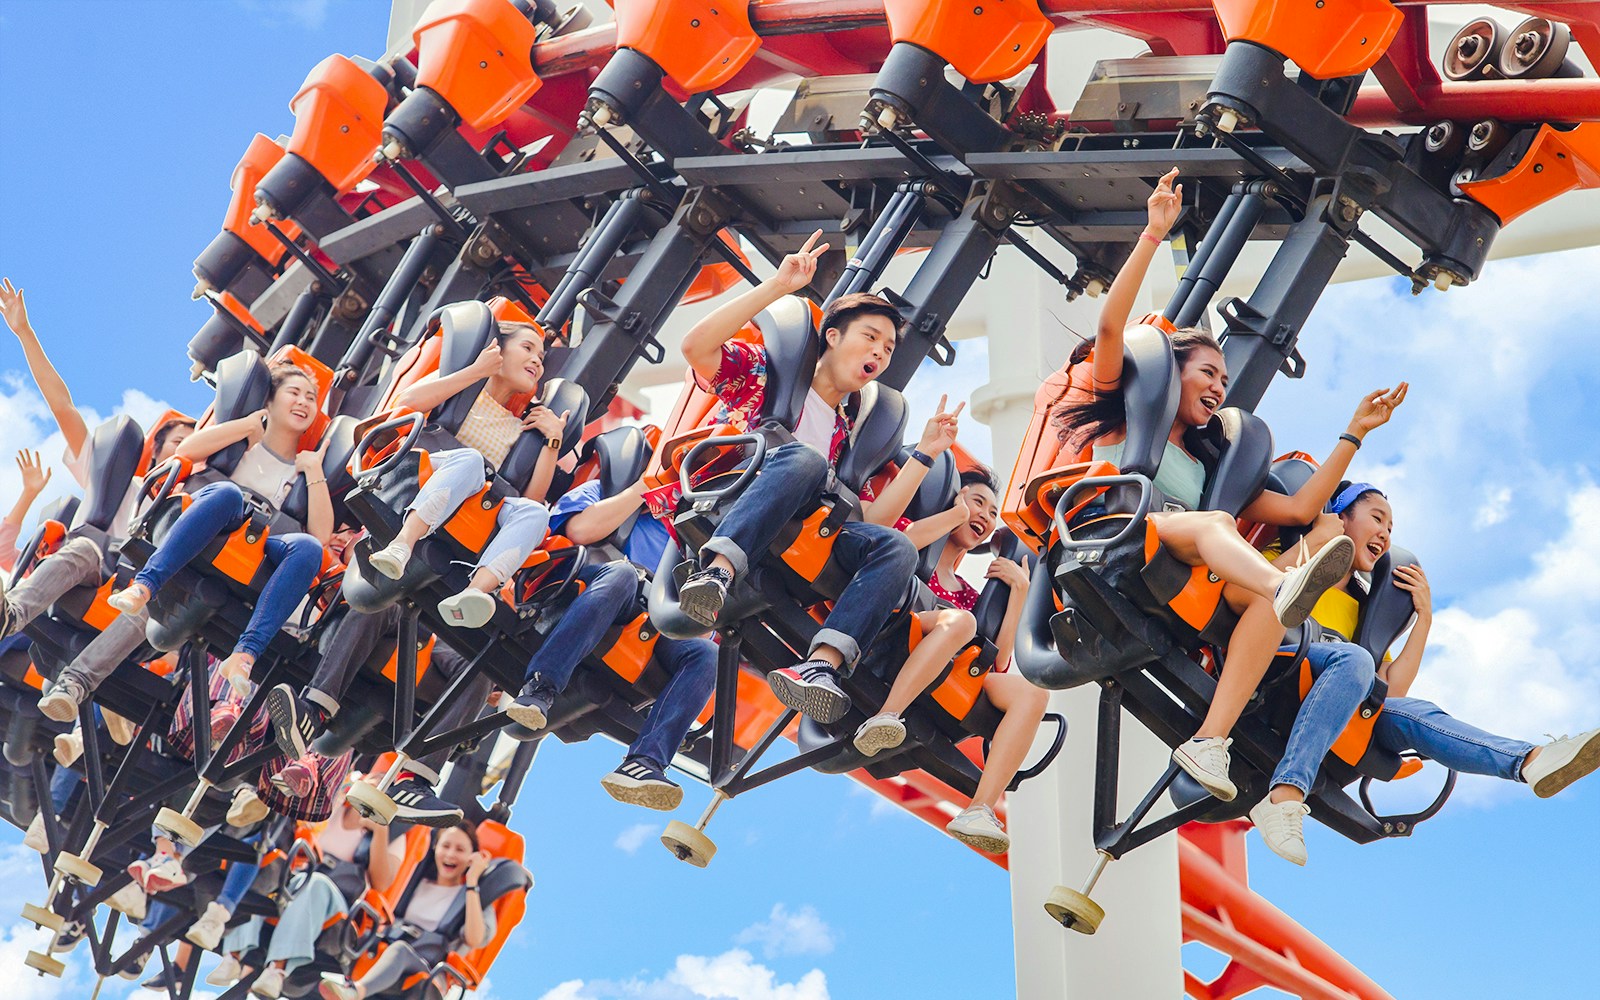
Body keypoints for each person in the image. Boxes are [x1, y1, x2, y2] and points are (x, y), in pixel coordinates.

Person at [1054, 168, 1408, 800]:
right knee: (1227, 536)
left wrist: (1354, 432)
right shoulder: (1124, 408)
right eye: (1208, 374)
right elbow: (1110, 331)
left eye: (1224, 381)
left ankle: (1209, 742)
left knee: (1272, 605)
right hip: (1116, 533)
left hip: (1180, 556)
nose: (1219, 389)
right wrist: (1152, 235)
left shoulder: (1211, 465)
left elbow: (1302, 506)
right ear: (1171, 374)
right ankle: (1284, 583)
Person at [1247, 483, 1600, 865]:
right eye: (1377, 518)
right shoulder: (1290, 555)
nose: (1384, 533)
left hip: (1334, 697)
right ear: (1341, 518)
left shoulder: (1364, 611)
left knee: (1413, 710)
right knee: (1355, 660)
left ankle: (1529, 761)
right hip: (1274, 669)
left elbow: (1390, 692)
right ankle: (1286, 794)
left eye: (1391, 528)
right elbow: (1249, 594)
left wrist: (1423, 617)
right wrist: (1317, 543)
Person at [669, 232, 919, 724]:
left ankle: (821, 668)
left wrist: (926, 455)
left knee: (897, 548)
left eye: (889, 349)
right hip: (740, 498)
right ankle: (716, 571)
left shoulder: (848, 432)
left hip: (802, 526)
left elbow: (865, 516)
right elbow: (696, 347)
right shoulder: (771, 378)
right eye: (871, 337)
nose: (881, 353)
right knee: (803, 460)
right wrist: (778, 286)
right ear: (833, 336)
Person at [49, 362, 332, 723]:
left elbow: (320, 537)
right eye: (294, 393)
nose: (304, 402)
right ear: (270, 400)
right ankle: (145, 584)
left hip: (256, 549)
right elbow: (190, 451)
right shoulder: (242, 443)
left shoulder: (302, 469)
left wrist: (315, 471)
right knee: (229, 494)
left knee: (307, 548)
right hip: (217, 522)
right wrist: (246, 427)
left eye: (311, 398)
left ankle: (244, 655)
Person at [853, 463, 1045, 853]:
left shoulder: (968, 594)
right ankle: (887, 715)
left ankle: (980, 807)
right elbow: (897, 541)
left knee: (1032, 694)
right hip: (895, 633)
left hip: (948, 659)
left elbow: (999, 660)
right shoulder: (920, 534)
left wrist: (1020, 592)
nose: (986, 518)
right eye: (978, 503)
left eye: (993, 514)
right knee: (961, 624)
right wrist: (955, 513)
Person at [503, 470, 717, 808]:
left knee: (706, 655)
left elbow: (702, 626)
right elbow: (578, 530)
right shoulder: (609, 488)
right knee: (621, 574)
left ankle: (644, 763)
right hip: (581, 590)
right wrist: (643, 491)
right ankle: (540, 687)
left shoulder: (696, 541)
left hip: (646, 620)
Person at [363, 315, 566, 628]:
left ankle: (474, 592)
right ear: (498, 348)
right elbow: (408, 402)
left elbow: (530, 498)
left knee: (535, 514)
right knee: (471, 461)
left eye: (540, 358)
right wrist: (475, 372)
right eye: (527, 348)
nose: (536, 362)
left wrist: (552, 442)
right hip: (418, 478)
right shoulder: (458, 385)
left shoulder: (519, 429)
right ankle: (402, 544)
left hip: (469, 511)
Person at [247, 773, 405, 999]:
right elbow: (304, 828)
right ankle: (237, 956)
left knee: (317, 885)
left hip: (339, 905)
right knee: (273, 875)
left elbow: (381, 883)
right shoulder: (335, 807)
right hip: (300, 883)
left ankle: (277, 969)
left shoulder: (392, 837)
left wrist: (381, 830)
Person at [315, 819, 495, 1000]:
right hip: (386, 951)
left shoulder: (473, 898)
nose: (450, 854)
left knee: (401, 950)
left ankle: (356, 992)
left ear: (472, 856)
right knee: (342, 935)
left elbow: (475, 939)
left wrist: (472, 882)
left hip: (427, 970)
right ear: (435, 848)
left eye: (460, 850)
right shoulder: (415, 883)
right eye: (445, 846)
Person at [0, 449, 51, 572]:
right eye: (39, 549)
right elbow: (3, 553)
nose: (42, 549)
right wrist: (29, 493)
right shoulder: (38, 568)